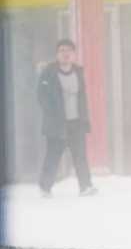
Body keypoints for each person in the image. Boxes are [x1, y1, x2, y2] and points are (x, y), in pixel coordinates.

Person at [37, 39, 97, 197]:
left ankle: (86, 187)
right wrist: (52, 115)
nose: (66, 54)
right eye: (62, 51)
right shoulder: (49, 72)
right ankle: (45, 187)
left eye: (69, 51)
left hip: (76, 122)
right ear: (57, 54)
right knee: (53, 156)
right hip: (57, 124)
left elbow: (82, 97)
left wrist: (84, 119)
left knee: (80, 156)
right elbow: (41, 97)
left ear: (74, 55)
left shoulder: (78, 71)